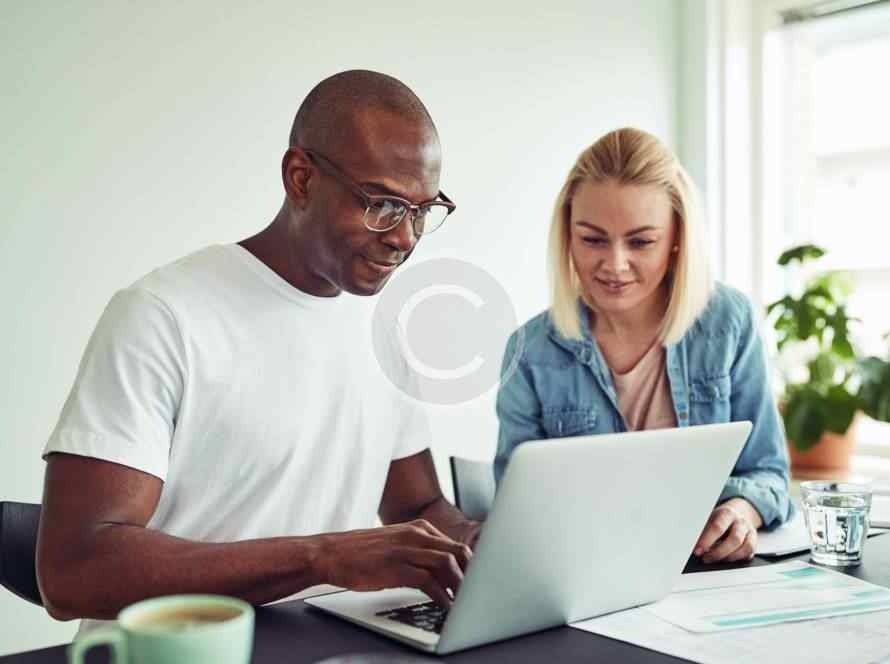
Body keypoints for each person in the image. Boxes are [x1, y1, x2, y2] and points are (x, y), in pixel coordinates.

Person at [36, 70, 481, 627]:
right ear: (300, 178)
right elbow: (73, 572)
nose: (404, 237)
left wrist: (480, 542)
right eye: (383, 204)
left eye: (421, 210)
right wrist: (323, 557)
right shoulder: (163, 315)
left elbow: (416, 508)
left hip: (323, 647)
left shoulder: (382, 326)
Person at [494, 127, 792, 564]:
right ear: (567, 235)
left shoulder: (728, 321)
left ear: (676, 239)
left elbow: (769, 472)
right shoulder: (530, 352)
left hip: (707, 575)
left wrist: (741, 511)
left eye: (641, 242)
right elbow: (516, 510)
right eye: (592, 239)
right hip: (584, 576)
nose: (615, 265)